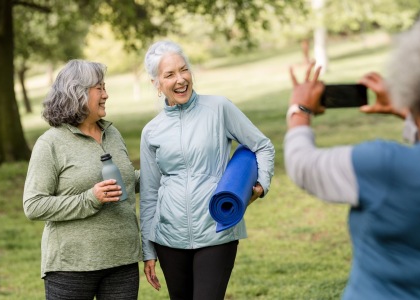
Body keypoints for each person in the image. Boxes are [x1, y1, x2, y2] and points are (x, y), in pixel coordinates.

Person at [284, 7, 420, 300]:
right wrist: (407, 112)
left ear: (415, 86)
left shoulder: (385, 167)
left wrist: (299, 109)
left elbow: (303, 165)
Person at [140, 40, 275, 300]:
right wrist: (148, 250)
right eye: (169, 74)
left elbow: (263, 146)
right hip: (169, 239)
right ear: (156, 84)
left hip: (217, 230)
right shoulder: (151, 131)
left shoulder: (219, 108)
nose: (180, 79)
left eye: (184, 69)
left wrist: (261, 185)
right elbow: (149, 193)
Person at [23, 59, 141, 299]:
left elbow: (125, 181)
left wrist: (166, 172)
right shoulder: (51, 143)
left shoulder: (112, 133)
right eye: (99, 88)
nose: (106, 94)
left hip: (123, 259)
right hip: (71, 266)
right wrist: (90, 199)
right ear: (77, 93)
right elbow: (33, 205)